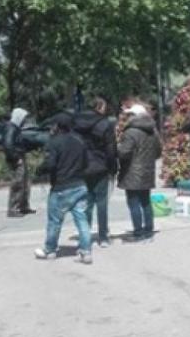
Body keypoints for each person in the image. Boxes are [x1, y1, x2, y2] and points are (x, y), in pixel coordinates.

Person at [34, 113, 93, 263]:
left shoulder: (54, 142)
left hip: (61, 187)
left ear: (57, 126)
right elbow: (87, 163)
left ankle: (50, 250)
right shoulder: (80, 141)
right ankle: (86, 252)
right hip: (80, 185)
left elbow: (51, 164)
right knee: (82, 220)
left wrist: (40, 170)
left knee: (55, 220)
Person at [74, 97, 118, 248]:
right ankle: (103, 237)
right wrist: (113, 168)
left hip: (82, 167)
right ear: (99, 107)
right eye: (104, 107)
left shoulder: (76, 123)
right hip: (100, 166)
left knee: (85, 203)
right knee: (101, 203)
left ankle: (84, 236)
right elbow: (111, 149)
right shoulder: (105, 124)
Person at [118, 104, 161, 243]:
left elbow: (124, 153)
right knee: (146, 202)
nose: (127, 117)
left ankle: (138, 232)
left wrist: (116, 148)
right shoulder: (153, 131)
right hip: (147, 170)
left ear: (135, 116)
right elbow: (158, 151)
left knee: (133, 203)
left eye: (130, 114)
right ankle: (148, 231)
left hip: (132, 171)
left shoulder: (130, 132)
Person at [3, 107, 34, 217]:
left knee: (25, 183)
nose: (25, 120)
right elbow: (8, 145)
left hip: (20, 156)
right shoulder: (11, 128)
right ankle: (13, 208)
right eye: (24, 118)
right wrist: (16, 158)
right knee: (18, 183)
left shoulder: (16, 128)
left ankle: (23, 206)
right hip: (16, 159)